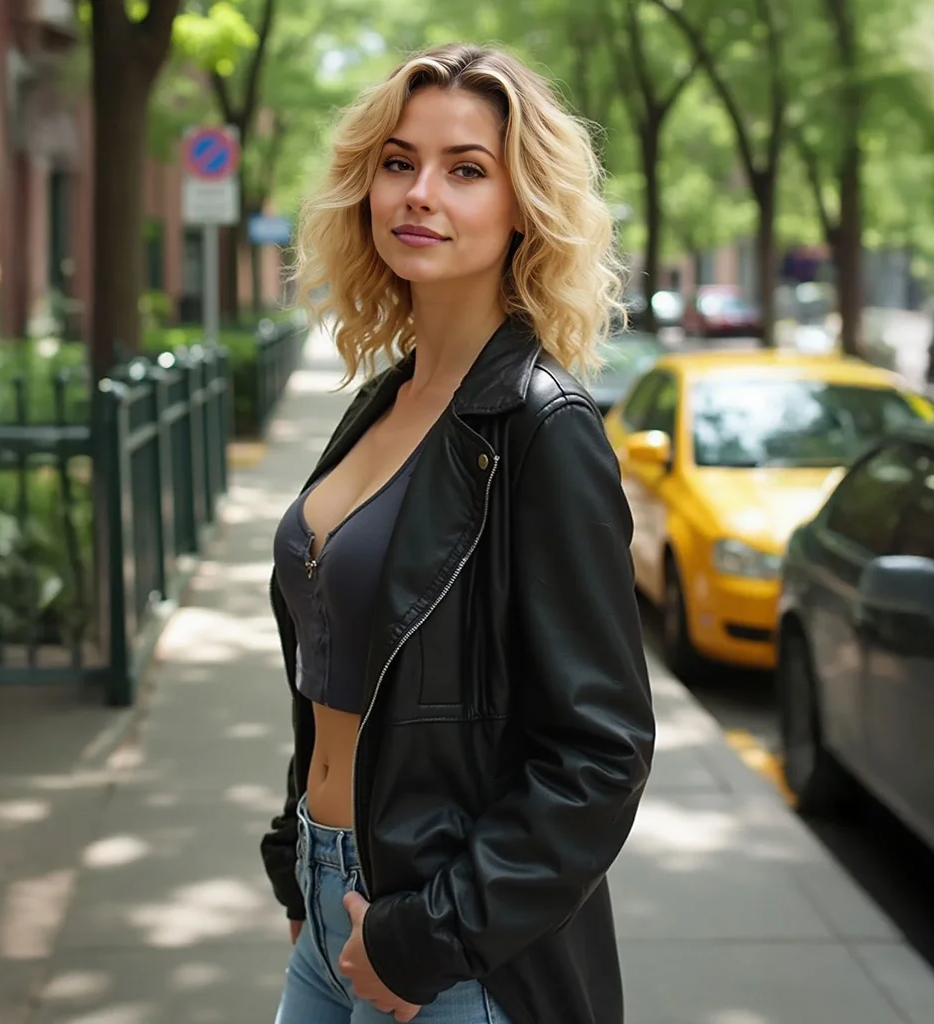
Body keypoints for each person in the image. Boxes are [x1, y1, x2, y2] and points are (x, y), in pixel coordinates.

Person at [261, 42, 656, 1024]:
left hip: (450, 950)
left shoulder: (540, 426)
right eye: (397, 163)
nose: (419, 193)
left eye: (464, 169)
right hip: (331, 904)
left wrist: (426, 938)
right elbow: (340, 651)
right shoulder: (383, 403)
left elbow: (600, 754)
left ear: (522, 203)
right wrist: (297, 856)